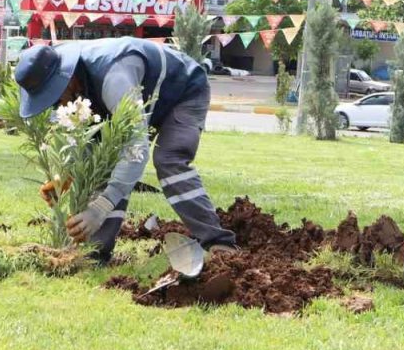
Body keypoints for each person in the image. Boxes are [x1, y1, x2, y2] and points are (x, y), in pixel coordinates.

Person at [13, 38, 237, 263]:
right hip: (142, 100)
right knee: (104, 164)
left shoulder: (113, 77)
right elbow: (94, 149)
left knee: (169, 160)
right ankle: (96, 253)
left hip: (183, 90)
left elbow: (135, 149)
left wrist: (99, 209)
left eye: (54, 97)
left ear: (67, 79)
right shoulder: (76, 82)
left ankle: (219, 242)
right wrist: (66, 177)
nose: (58, 106)